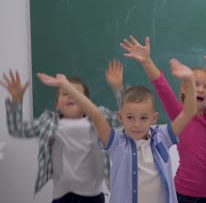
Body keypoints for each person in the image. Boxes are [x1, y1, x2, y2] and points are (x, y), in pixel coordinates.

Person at [37, 58, 198, 203]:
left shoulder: (163, 137)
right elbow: (95, 114)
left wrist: (190, 80)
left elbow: (189, 112)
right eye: (130, 117)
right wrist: (66, 86)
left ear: (154, 118)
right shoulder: (117, 143)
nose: (136, 124)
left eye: (143, 118)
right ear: (120, 117)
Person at [1, 60, 124, 203]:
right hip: (61, 196)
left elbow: (125, 117)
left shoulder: (97, 119)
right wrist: (16, 101)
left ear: (87, 102)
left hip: (92, 196)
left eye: (76, 93)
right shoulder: (48, 122)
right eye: (65, 93)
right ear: (57, 104)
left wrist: (118, 88)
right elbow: (17, 130)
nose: (70, 96)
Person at [121, 36, 206, 203]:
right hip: (183, 194)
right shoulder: (179, 114)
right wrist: (146, 61)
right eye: (195, 84)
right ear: (184, 88)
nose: (201, 90)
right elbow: (161, 86)